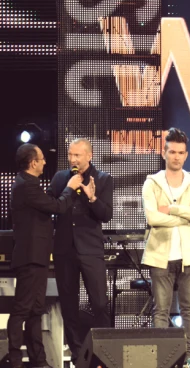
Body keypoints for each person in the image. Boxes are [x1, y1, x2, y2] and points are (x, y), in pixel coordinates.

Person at [142, 128, 190, 368]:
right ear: (164, 153)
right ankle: (159, 358)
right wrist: (187, 215)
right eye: (172, 152)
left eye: (181, 152)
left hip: (189, 256)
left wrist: (172, 210)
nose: (176, 157)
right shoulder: (152, 183)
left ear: (186, 154)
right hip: (161, 256)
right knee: (161, 311)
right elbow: (153, 219)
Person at [9, 144, 74, 368]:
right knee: (22, 310)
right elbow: (58, 206)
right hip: (29, 258)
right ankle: (15, 359)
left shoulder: (29, 185)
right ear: (33, 162)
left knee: (36, 310)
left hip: (37, 257)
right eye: (42, 159)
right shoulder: (26, 187)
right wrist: (70, 188)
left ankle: (39, 360)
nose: (45, 162)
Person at [48, 138, 113, 359]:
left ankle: (103, 352)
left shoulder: (103, 179)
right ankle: (76, 353)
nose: (73, 159)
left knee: (100, 302)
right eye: (70, 155)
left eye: (77, 155)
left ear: (89, 155)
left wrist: (92, 198)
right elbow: (50, 206)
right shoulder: (60, 179)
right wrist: (69, 188)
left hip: (91, 249)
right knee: (68, 303)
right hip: (64, 250)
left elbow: (106, 215)